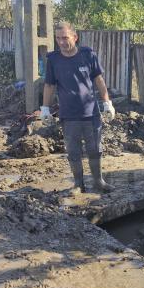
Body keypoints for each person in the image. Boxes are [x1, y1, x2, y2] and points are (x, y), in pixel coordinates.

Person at [40, 21, 115, 195]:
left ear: (75, 37)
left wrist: (107, 102)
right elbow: (49, 85)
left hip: (91, 114)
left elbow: (98, 80)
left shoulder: (88, 55)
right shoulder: (53, 60)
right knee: (73, 152)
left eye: (65, 38)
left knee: (95, 150)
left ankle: (98, 181)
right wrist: (45, 108)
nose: (62, 42)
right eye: (58, 39)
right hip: (69, 115)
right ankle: (79, 184)